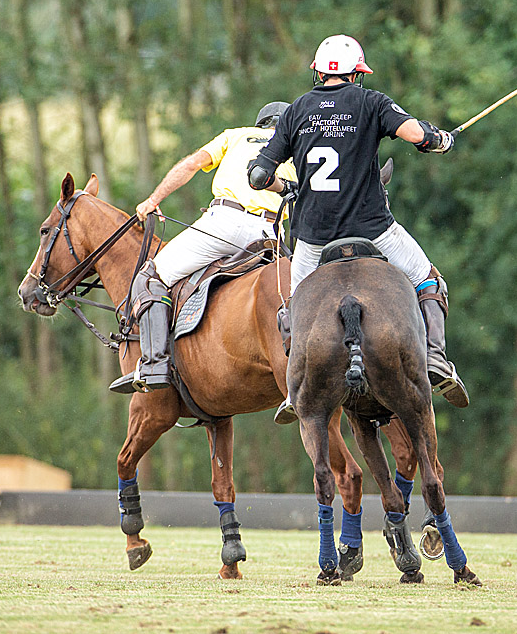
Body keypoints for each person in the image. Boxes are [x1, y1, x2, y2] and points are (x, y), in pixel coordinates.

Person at [247, 34, 470, 423]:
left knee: (293, 303)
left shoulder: (297, 110)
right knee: (427, 279)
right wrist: (440, 140)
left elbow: (258, 175)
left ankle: (294, 386)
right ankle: (435, 359)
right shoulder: (371, 102)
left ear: (317, 71)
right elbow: (416, 134)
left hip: (314, 236)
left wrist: (292, 187)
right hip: (372, 228)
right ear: (357, 74)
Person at [109, 102, 297, 394]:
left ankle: (154, 365)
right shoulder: (296, 147)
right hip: (271, 234)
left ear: (260, 124)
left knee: (149, 278)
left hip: (225, 223)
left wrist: (153, 200)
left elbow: (190, 165)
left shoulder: (235, 136)